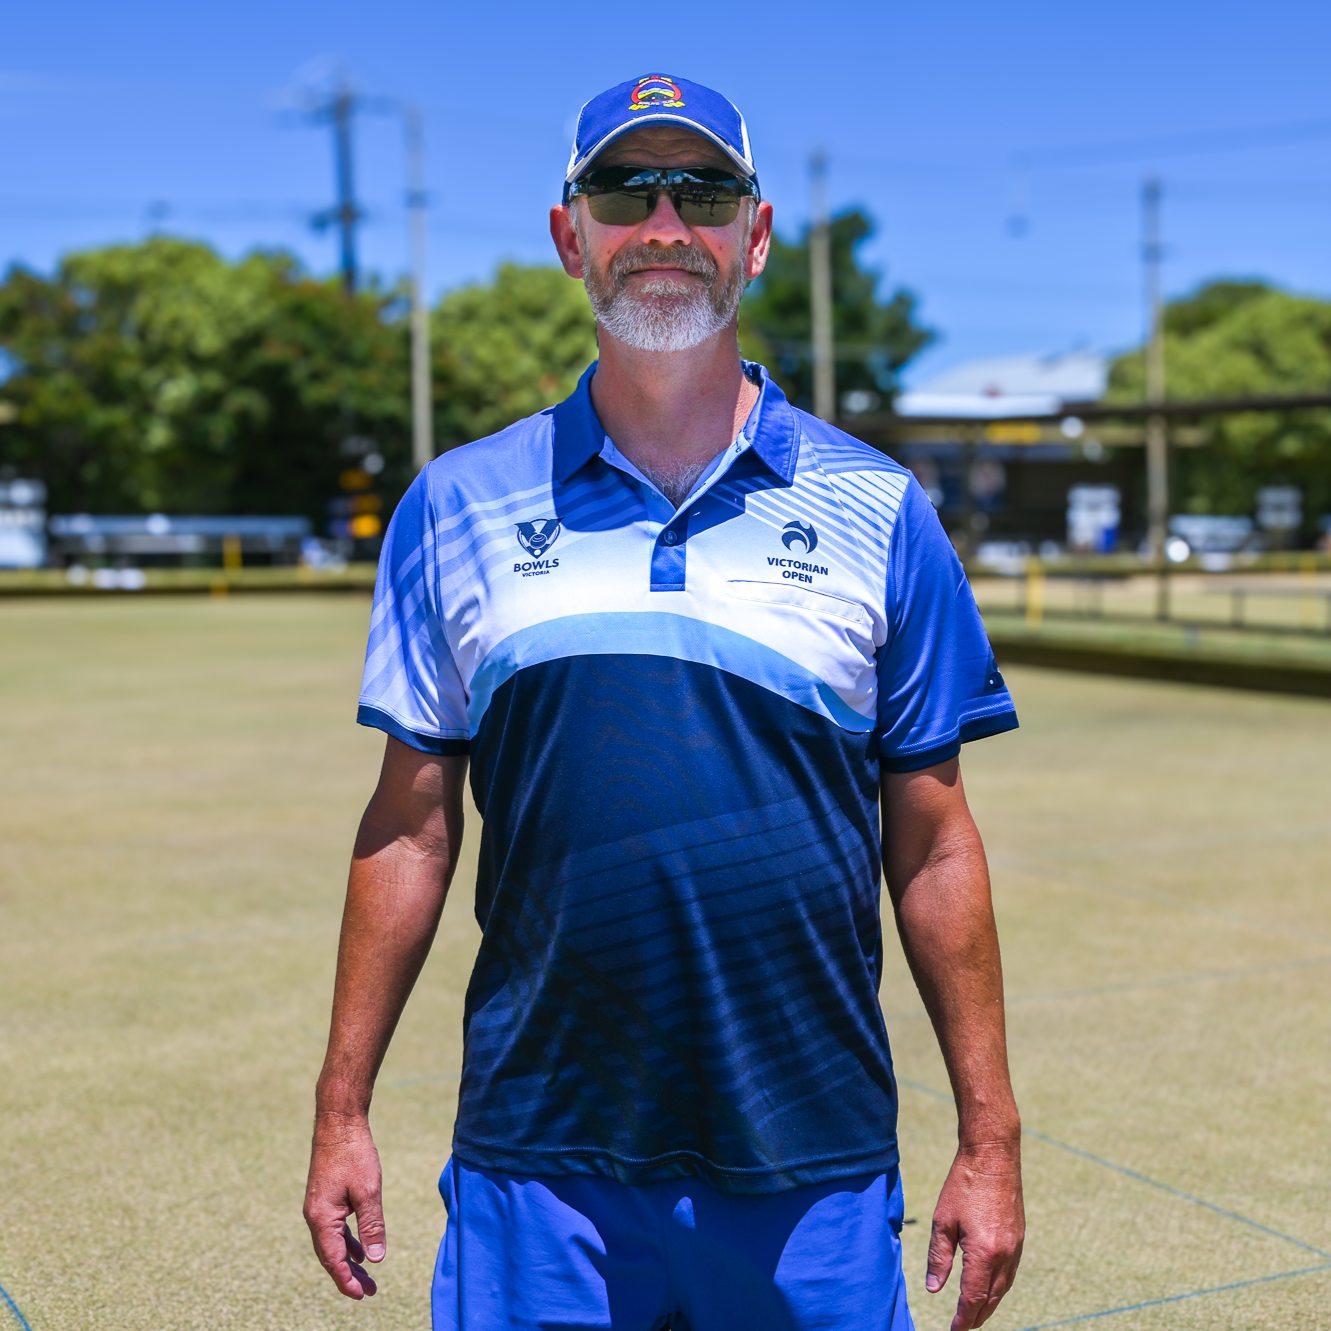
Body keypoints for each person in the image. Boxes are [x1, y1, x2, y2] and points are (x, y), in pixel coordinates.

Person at [304, 72, 1024, 1331]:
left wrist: (989, 1132)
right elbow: (411, 826)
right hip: (538, 1151)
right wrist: (340, 1108)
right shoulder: (455, 504)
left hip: (812, 1153)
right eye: (622, 190)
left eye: (699, 190)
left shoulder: (881, 508)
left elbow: (933, 838)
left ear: (751, 235)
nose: (661, 223)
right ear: (567, 231)